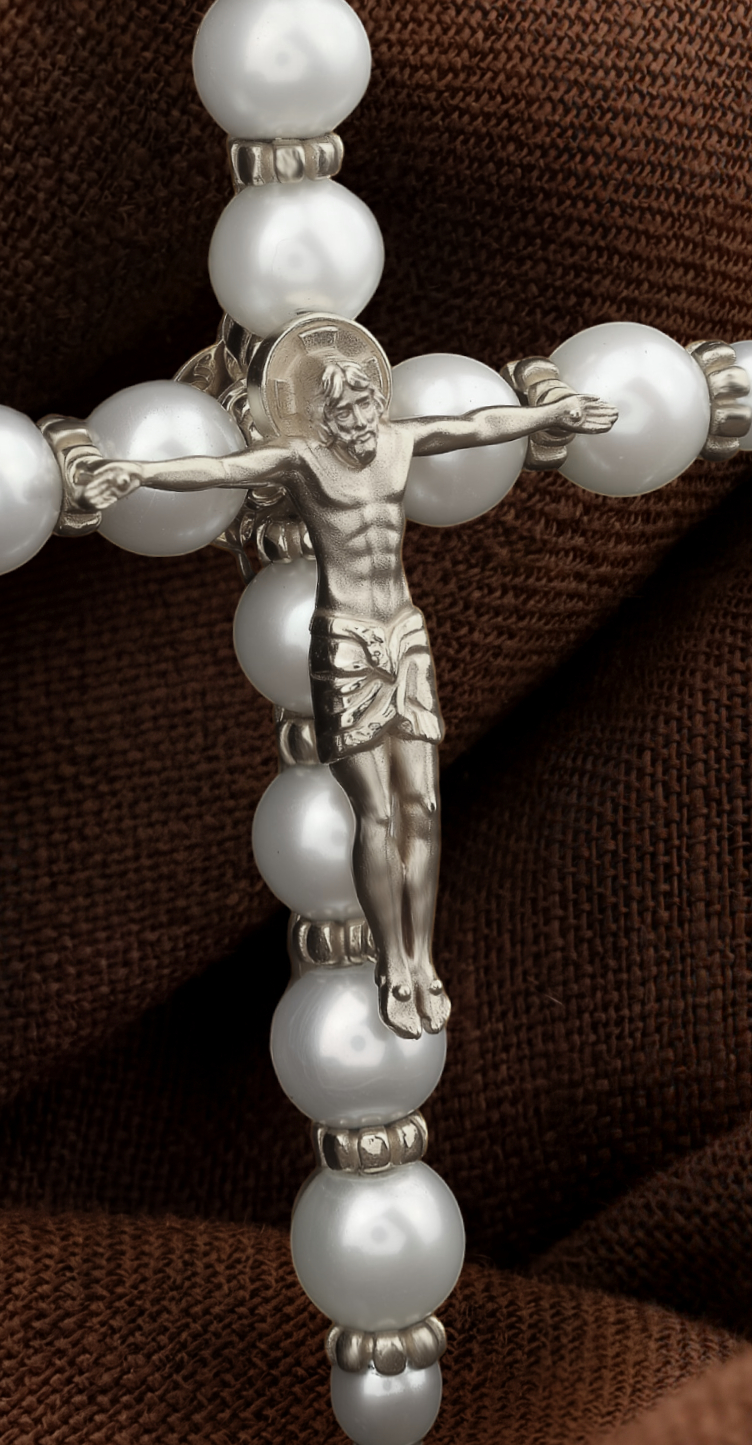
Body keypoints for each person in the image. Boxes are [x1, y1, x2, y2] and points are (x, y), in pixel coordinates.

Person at [82, 354, 614, 1035]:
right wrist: (137, 472)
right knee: (379, 813)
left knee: (423, 805)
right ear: (325, 419)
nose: (361, 420)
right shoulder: (303, 462)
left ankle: (423, 958)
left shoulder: (399, 441)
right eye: (346, 411)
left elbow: (478, 424)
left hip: (405, 637)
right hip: (348, 647)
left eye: (367, 405)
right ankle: (393, 962)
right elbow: (219, 469)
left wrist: (552, 413)